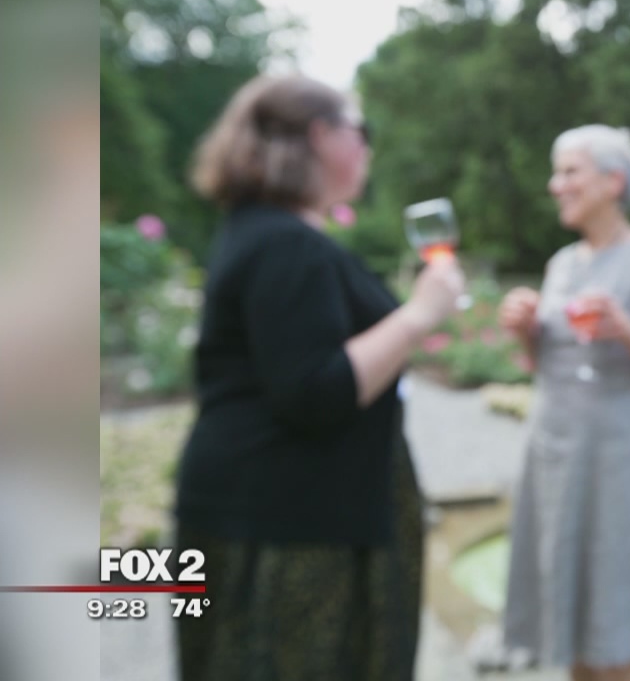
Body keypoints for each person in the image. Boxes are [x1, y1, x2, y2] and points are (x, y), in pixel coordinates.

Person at [172, 74, 465, 681]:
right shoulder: (287, 245)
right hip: (291, 530)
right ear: (320, 136)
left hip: (265, 511)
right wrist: (418, 315)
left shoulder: (262, 232)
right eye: (362, 131)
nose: (367, 148)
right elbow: (315, 391)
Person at [498, 125, 630, 681]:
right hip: (555, 453)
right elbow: (546, 365)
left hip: (619, 459)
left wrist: (625, 328)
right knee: (570, 612)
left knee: (614, 618)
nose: (554, 184)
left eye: (569, 172)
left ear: (614, 181)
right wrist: (525, 330)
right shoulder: (562, 263)